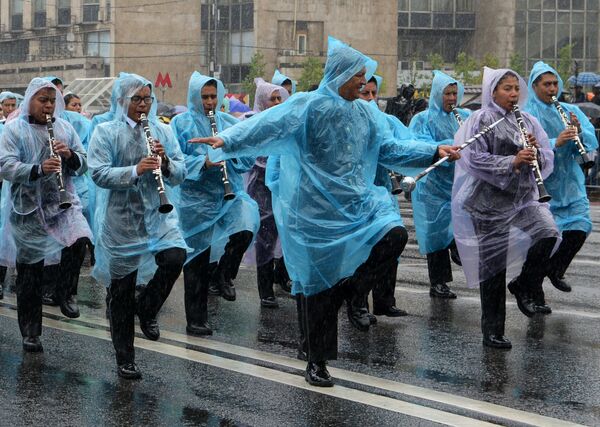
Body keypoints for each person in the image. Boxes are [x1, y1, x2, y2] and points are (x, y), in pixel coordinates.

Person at [191, 37, 459, 386]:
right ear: (340, 74)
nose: (363, 83)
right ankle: (317, 362)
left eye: (365, 77)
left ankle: (353, 291)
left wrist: (433, 150)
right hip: (312, 213)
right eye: (357, 76)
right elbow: (266, 126)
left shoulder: (366, 112)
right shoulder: (307, 106)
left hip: (357, 203)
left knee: (393, 233)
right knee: (317, 288)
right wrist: (227, 140)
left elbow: (389, 148)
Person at [87, 73, 188, 379]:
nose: (143, 105)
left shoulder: (162, 131)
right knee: (121, 291)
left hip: (158, 216)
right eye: (137, 99)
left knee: (176, 257)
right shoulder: (105, 131)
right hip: (122, 221)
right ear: (122, 101)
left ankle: (146, 308)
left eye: (147, 99)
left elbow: (180, 171)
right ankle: (125, 357)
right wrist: (135, 169)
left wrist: (165, 164)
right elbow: (98, 173)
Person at [452, 67, 560, 349]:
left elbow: (547, 156)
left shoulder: (527, 120)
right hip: (487, 203)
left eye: (516, 89)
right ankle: (493, 331)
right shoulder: (481, 119)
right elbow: (472, 158)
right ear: (493, 92)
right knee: (493, 270)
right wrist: (511, 162)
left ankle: (524, 283)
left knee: (548, 233)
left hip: (523, 198)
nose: (513, 94)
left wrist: (535, 153)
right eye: (507, 89)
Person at [0, 78, 92, 352]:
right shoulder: (14, 128)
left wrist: (71, 156)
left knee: (80, 239)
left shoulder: (65, 127)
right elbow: (5, 165)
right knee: (30, 274)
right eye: (43, 100)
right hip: (27, 209)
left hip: (61, 202)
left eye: (52, 100)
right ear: (30, 100)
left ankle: (66, 292)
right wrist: (38, 169)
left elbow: (84, 163)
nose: (48, 105)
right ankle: (31, 332)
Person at [525, 61, 597, 306]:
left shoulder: (568, 109)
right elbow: (525, 147)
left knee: (579, 228)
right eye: (546, 84)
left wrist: (578, 131)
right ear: (534, 86)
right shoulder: (526, 113)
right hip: (542, 185)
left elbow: (589, 144)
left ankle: (555, 270)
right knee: (543, 243)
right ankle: (535, 293)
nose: (552, 88)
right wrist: (557, 141)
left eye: (555, 83)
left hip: (570, 181)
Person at [353, 74, 411, 322]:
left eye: (374, 94)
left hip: (384, 194)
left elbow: (405, 146)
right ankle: (358, 303)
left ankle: (385, 300)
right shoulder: (350, 123)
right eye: (365, 93)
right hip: (358, 197)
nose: (370, 99)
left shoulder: (386, 121)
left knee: (391, 244)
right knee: (365, 250)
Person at [409, 71, 470, 299]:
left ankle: (459, 251)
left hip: (459, 184)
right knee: (436, 235)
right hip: (433, 187)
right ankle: (439, 283)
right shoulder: (422, 119)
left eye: (455, 93)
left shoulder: (464, 116)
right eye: (447, 93)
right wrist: (446, 146)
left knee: (460, 225)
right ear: (437, 94)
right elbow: (419, 145)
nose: (452, 98)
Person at [245, 78, 291, 308]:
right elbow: (252, 157)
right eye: (271, 98)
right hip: (262, 190)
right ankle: (265, 290)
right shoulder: (254, 123)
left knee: (284, 235)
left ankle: (283, 277)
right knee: (265, 238)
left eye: (278, 98)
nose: (276, 102)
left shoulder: (284, 124)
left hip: (283, 188)